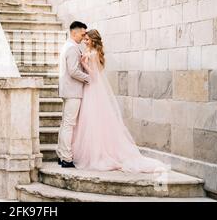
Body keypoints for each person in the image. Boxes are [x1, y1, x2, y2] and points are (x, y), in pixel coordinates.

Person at [71, 29, 169, 173]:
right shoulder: (90, 52)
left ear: (92, 40)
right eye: (84, 39)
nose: (85, 41)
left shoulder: (92, 54)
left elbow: (94, 76)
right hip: (91, 88)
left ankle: (98, 153)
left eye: (87, 39)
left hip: (92, 88)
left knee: (92, 119)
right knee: (90, 119)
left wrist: (84, 64)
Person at [57, 21, 90, 168]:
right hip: (73, 91)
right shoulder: (72, 48)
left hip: (68, 90)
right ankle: (66, 158)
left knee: (65, 124)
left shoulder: (68, 46)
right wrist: (89, 78)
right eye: (82, 34)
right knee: (69, 124)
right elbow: (73, 71)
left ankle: (61, 154)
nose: (84, 37)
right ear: (74, 32)